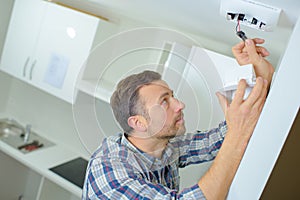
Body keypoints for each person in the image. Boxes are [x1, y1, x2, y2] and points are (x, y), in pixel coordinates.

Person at [82, 38, 274, 199]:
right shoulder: (109, 172)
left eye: (172, 95)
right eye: (164, 102)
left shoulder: (162, 144)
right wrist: (237, 133)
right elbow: (235, 133)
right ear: (139, 123)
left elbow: (214, 141)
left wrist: (258, 77)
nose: (180, 104)